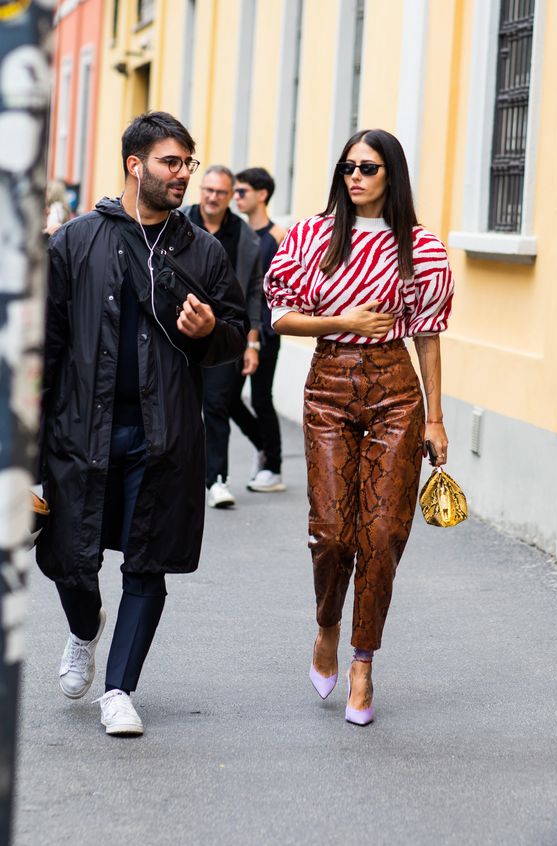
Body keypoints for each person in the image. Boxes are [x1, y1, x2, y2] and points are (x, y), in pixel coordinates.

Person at [36, 112, 248, 737]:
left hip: (164, 436)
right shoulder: (75, 242)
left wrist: (212, 333)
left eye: (188, 162)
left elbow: (233, 332)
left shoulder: (200, 250)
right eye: (170, 162)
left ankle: (119, 689)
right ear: (135, 165)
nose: (184, 174)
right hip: (81, 431)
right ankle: (83, 628)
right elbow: (43, 349)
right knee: (69, 560)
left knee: (146, 563)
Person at [265, 129, 453, 726]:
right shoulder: (311, 235)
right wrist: (342, 319)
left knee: (382, 532)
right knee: (331, 530)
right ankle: (327, 625)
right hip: (329, 385)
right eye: (348, 166)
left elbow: (427, 333)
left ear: (391, 175)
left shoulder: (421, 248)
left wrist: (438, 417)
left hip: (398, 392)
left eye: (368, 167)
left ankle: (364, 663)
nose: (356, 176)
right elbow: (279, 317)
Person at [181, 166, 262, 508]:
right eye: (208, 190)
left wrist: (252, 343)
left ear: (231, 196)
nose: (213, 197)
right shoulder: (178, 222)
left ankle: (216, 480)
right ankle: (179, 478)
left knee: (216, 405)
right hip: (178, 331)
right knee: (179, 407)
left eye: (221, 192)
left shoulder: (245, 237)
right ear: (201, 191)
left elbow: (255, 293)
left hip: (223, 335)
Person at [233, 167, 286, 493]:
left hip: (266, 330)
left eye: (242, 191)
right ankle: (262, 445)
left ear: (261, 194)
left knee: (262, 398)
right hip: (236, 330)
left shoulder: (279, 236)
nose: (236, 197)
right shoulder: (237, 232)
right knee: (223, 399)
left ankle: (274, 467)